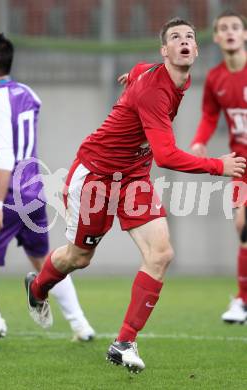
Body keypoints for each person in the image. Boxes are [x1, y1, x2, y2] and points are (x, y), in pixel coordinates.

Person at [24, 18, 245, 373]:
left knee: (161, 254)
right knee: (79, 258)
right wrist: (217, 166)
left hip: (134, 176)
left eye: (190, 36)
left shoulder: (169, 75)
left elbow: (142, 68)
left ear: (197, 48)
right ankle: (37, 287)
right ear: (165, 50)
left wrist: (131, 74)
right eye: (176, 37)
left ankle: (123, 342)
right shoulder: (155, 91)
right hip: (96, 174)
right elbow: (168, 156)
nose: (185, 41)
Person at [0, 32, 95, 346]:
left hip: (8, 195)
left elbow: (5, 155)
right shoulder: (29, 94)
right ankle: (82, 326)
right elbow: (16, 146)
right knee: (44, 262)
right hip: (33, 191)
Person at [190, 11, 247, 324]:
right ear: (215, 37)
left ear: (244, 34)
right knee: (242, 226)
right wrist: (200, 141)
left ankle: (242, 300)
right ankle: (242, 301)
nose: (229, 33)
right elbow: (210, 115)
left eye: (235, 27)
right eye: (223, 28)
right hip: (240, 164)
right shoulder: (216, 78)